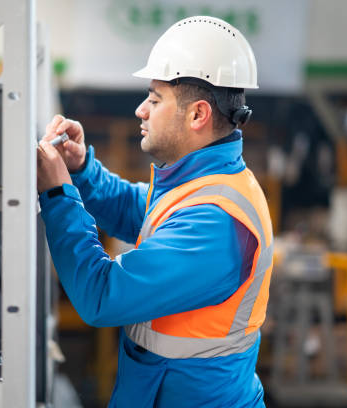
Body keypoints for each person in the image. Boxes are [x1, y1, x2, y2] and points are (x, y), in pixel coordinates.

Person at [37, 16, 273, 407]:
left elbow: (101, 295)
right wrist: (80, 170)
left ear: (198, 115)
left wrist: (59, 194)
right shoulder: (198, 182)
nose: (140, 110)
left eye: (154, 99)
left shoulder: (217, 222)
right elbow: (139, 209)